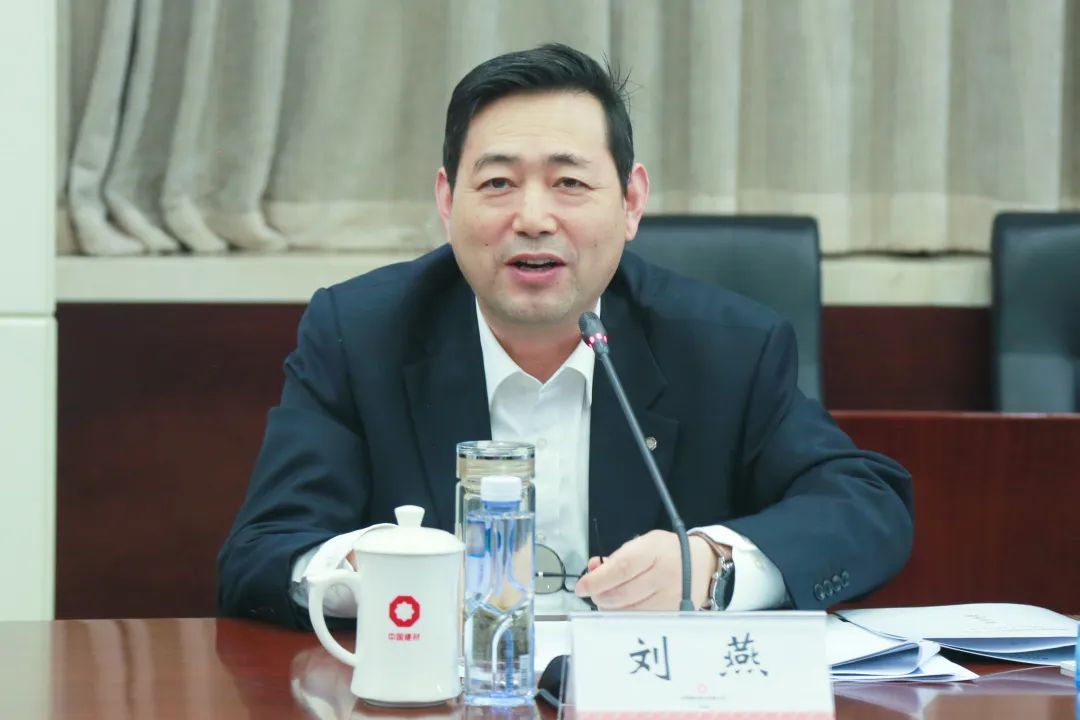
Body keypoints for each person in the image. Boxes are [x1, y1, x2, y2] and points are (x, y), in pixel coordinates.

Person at [217, 43, 913, 629]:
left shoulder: (726, 346)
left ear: (631, 202)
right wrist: (382, 574)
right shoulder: (360, 335)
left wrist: (712, 564)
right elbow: (262, 553)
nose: (532, 218)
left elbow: (866, 505)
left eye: (569, 183)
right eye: (497, 183)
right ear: (447, 201)